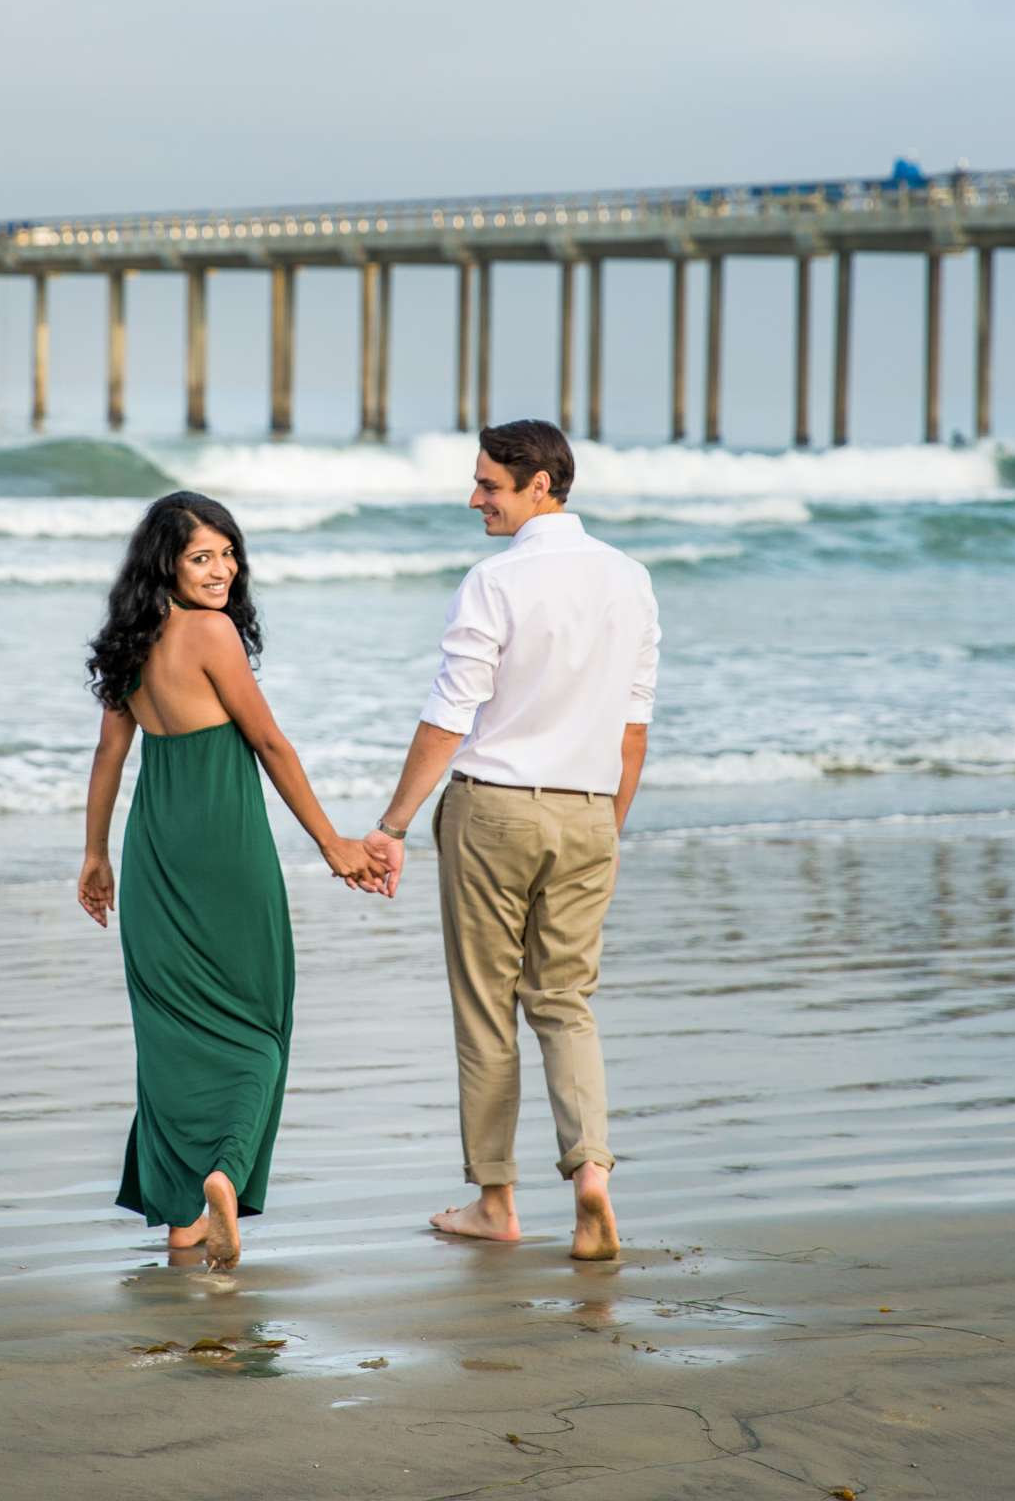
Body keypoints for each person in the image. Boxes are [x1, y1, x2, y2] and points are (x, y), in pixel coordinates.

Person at [363, 419, 658, 1261]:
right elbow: (633, 726)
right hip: (590, 810)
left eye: (490, 485)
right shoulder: (631, 579)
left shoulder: (496, 580)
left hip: (494, 809)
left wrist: (391, 826)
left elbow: (451, 716)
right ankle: (592, 1175)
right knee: (565, 1003)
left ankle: (496, 1201)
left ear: (541, 485)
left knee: (487, 1008)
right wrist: (606, 825)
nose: (475, 498)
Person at [79, 491, 379, 1271]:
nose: (221, 570)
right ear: (168, 566)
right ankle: (223, 1173)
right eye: (201, 557)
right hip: (227, 846)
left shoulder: (128, 642)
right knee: (258, 1027)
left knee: (171, 1039)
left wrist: (95, 856)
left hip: (152, 850)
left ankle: (182, 1224)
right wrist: (333, 843)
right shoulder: (210, 633)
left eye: (227, 553)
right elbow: (271, 744)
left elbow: (110, 757)